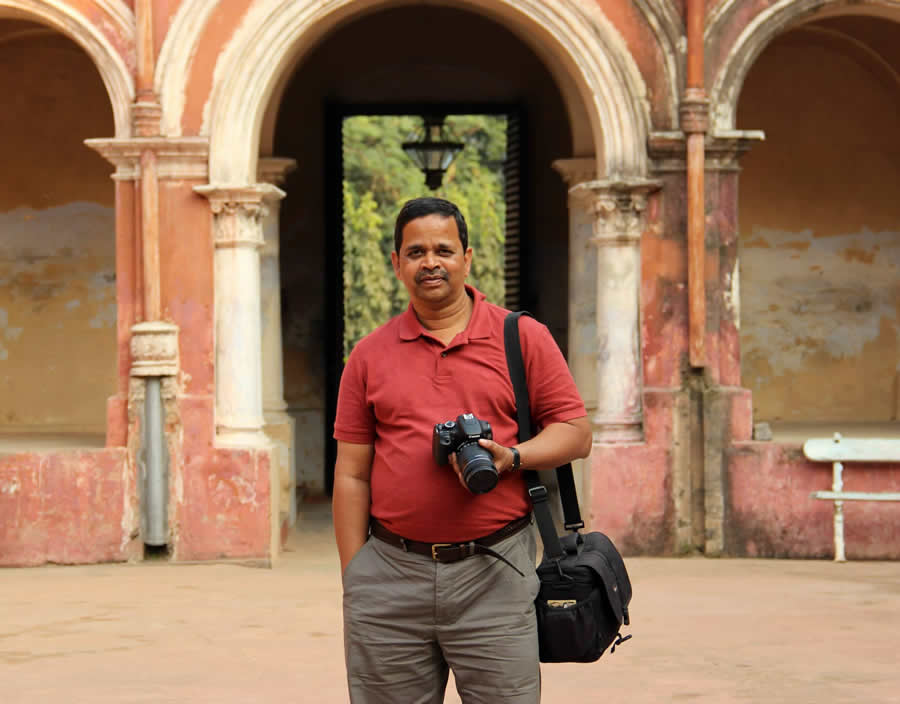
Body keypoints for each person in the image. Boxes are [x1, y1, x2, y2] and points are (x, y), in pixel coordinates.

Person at [333, 196, 591, 704]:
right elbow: (352, 475)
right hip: (389, 572)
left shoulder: (522, 338)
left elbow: (576, 433)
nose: (430, 262)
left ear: (467, 258)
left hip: (495, 568)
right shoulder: (368, 356)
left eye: (444, 250)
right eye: (415, 252)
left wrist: (512, 457)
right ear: (396, 263)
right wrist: (356, 575)